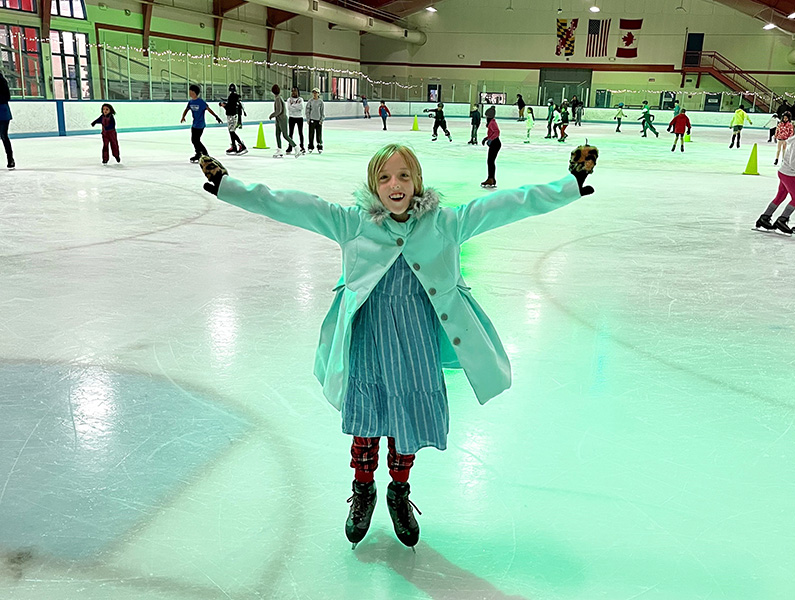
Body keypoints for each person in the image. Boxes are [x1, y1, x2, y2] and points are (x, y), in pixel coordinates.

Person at [196, 140, 598, 549]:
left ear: (417, 181)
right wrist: (230, 186)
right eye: (385, 177)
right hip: (368, 340)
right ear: (374, 184)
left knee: (408, 418)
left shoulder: (444, 223)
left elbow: (507, 205)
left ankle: (399, 492)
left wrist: (569, 185)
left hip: (416, 341)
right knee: (367, 423)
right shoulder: (351, 222)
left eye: (404, 175)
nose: (396, 184)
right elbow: (293, 205)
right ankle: (364, 490)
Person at [755, 133, 795, 234]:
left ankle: (765, 217)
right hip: (789, 173)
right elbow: (793, 162)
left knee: (780, 196)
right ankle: (782, 219)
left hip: (785, 171)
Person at [180, 84, 223, 163]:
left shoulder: (201, 102)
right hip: (194, 124)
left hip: (200, 125)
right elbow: (186, 109)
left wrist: (216, 116)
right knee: (194, 140)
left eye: (190, 92)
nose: (189, 93)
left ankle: (205, 154)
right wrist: (183, 117)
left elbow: (208, 109)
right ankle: (198, 153)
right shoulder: (191, 102)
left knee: (196, 140)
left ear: (194, 92)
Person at [269, 84, 298, 158]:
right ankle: (279, 150)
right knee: (277, 134)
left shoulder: (278, 98)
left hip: (282, 119)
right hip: (279, 119)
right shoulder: (278, 98)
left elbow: (279, 110)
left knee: (285, 135)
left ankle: (296, 147)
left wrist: (272, 115)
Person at [219, 83, 247, 155]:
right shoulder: (235, 97)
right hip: (234, 116)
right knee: (231, 131)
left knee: (232, 132)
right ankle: (234, 146)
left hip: (232, 116)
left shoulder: (231, 97)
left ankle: (241, 145)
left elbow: (230, 107)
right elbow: (232, 106)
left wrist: (223, 105)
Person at [481, 105, 501, 187]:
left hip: (495, 143)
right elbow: (492, 133)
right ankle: (491, 178)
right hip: (494, 143)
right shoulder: (491, 122)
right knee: (490, 161)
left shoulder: (492, 122)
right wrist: (486, 138)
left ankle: (491, 179)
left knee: (490, 161)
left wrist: (490, 139)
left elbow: (497, 132)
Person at [0, 71, 15, 170]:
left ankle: (10, 159)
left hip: (2, 111)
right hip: (3, 110)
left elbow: (7, 96)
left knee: (3, 135)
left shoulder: (1, 81)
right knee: (4, 136)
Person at [305, 87, 325, 154]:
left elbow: (322, 111)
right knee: (311, 134)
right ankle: (310, 146)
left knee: (319, 134)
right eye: (313, 92)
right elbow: (307, 110)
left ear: (318, 93)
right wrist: (308, 119)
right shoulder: (310, 101)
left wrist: (322, 119)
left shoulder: (320, 102)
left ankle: (319, 146)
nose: (314, 94)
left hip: (318, 120)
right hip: (312, 120)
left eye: (316, 92)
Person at [287, 87, 306, 155]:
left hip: (299, 117)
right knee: (290, 133)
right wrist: (296, 106)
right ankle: (290, 146)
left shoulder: (300, 99)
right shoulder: (289, 99)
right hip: (291, 117)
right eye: (292, 91)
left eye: (295, 91)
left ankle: (302, 146)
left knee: (300, 133)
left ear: (298, 92)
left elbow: (301, 107)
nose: (293, 92)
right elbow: (289, 108)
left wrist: (293, 106)